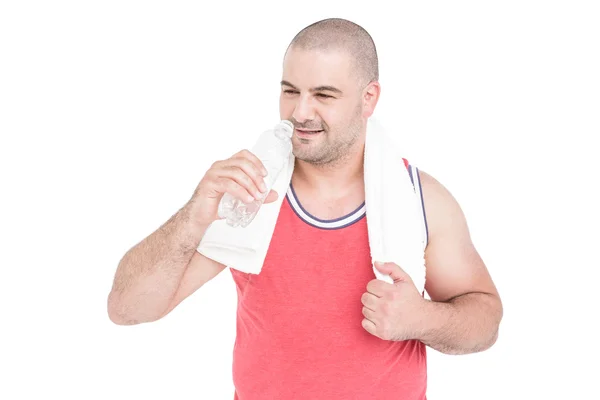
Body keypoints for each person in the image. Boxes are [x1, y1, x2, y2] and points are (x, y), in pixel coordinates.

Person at [107, 17, 503, 400]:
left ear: (369, 98)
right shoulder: (249, 196)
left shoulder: (422, 201)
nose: (300, 113)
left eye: (324, 95)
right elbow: (127, 309)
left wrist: (422, 319)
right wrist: (193, 215)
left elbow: (485, 321)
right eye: (290, 91)